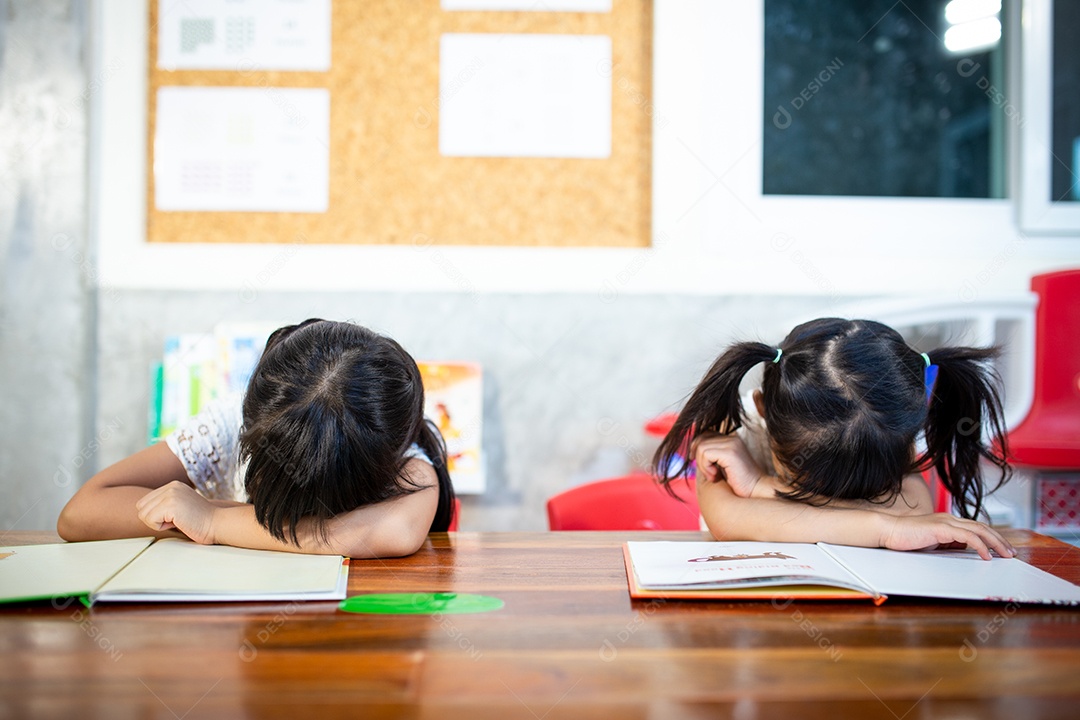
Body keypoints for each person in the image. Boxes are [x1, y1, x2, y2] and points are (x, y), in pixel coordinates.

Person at [58, 319, 456, 558]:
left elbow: (393, 532)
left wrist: (212, 518)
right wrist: (197, 514)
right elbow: (80, 513)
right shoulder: (234, 422)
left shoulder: (408, 462)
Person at [653, 317, 1016, 560]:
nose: (836, 496)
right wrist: (885, 527)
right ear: (763, 410)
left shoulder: (883, 425)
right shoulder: (728, 437)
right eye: (810, 483)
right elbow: (729, 521)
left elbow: (913, 509)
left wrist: (764, 488)